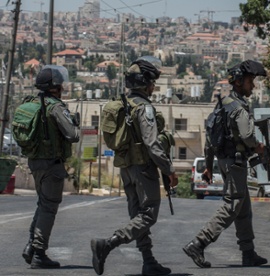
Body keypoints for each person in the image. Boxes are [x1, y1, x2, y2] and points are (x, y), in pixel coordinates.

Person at [90, 58, 178, 275]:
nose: (154, 86)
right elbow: (153, 144)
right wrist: (169, 170)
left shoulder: (121, 105)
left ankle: (148, 261)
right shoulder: (143, 108)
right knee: (148, 215)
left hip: (126, 169)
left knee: (137, 216)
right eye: (152, 82)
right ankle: (107, 244)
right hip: (143, 169)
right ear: (144, 82)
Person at [183, 60, 268, 268]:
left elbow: (211, 140)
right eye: (250, 82)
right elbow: (248, 135)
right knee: (232, 205)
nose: (253, 86)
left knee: (243, 207)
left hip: (225, 161)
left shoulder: (223, 104)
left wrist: (210, 167)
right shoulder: (238, 108)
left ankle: (248, 252)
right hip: (235, 162)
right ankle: (198, 243)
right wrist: (258, 146)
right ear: (239, 82)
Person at [19, 65, 80, 268]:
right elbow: (72, 135)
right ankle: (38, 253)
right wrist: (75, 123)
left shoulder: (32, 103)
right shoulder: (55, 107)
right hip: (52, 164)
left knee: (42, 204)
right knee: (49, 208)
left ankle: (30, 246)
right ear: (55, 86)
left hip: (35, 161)